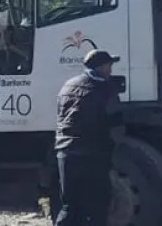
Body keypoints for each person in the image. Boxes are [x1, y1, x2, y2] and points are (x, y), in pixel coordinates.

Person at [54, 49, 121, 226]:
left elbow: (60, 116)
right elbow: (115, 125)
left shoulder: (68, 85)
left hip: (65, 154)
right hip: (93, 155)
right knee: (97, 207)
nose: (111, 69)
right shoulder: (105, 89)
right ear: (102, 66)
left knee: (69, 207)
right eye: (109, 65)